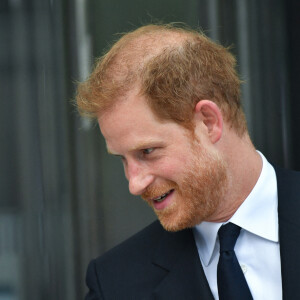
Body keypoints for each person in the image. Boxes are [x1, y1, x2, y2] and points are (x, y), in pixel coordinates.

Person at [76, 24, 300, 300]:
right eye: (123, 158)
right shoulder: (115, 285)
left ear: (208, 122)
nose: (134, 184)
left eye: (147, 151)